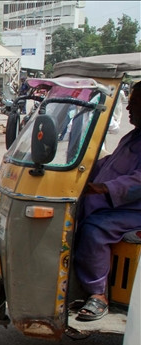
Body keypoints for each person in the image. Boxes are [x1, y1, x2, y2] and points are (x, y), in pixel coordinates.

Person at [74, 82, 141, 321]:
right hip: (120, 204)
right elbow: (111, 163)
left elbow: (138, 181)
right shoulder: (134, 136)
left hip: (135, 209)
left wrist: (103, 188)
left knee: (94, 229)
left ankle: (97, 294)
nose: (130, 107)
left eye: (135, 103)